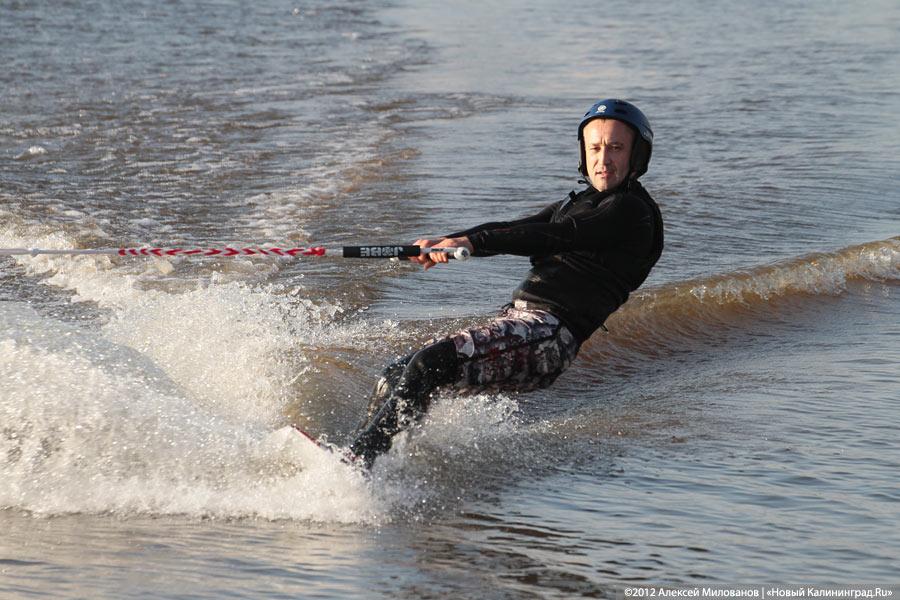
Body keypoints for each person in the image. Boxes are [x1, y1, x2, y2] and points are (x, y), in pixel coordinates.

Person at [349, 98, 664, 468]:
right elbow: (514, 229)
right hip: (517, 323)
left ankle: (358, 463)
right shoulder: (580, 203)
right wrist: (444, 242)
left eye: (616, 148)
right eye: (594, 147)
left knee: (428, 366)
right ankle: (375, 459)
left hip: (549, 336)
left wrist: (471, 243)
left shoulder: (631, 212)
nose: (603, 159)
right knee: (396, 374)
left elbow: (554, 236)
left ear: (636, 156)